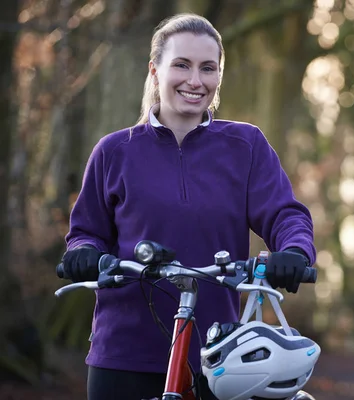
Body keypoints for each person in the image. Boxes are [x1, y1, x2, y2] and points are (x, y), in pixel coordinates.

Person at [59, 13, 316, 400]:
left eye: (208, 68)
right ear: (154, 71)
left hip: (219, 356)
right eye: (181, 65)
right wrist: (83, 254)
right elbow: (87, 232)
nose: (195, 81)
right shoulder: (115, 151)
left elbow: (285, 214)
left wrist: (294, 251)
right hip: (124, 353)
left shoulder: (245, 145)